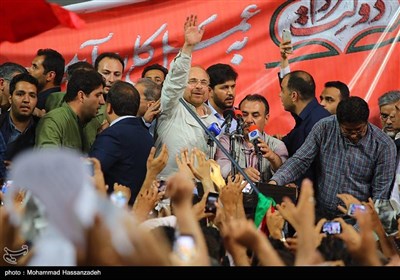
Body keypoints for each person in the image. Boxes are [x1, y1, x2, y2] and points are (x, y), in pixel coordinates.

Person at [269, 97, 397, 219]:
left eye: (358, 130)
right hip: (320, 213)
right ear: (338, 121)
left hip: (357, 220)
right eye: (347, 130)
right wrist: (275, 182)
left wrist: (359, 217)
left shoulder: (384, 146)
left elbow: (381, 198)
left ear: (366, 122)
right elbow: (300, 160)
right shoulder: (325, 127)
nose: (353, 135)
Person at [154, 15, 218, 178]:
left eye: (203, 83)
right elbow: (174, 82)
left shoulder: (215, 121)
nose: (198, 86)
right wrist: (188, 47)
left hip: (200, 193)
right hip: (167, 189)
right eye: (193, 81)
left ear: (209, 90)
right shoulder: (171, 107)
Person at [89, 81, 153, 205]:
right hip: (135, 210)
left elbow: (93, 171)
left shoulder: (113, 135)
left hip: (113, 212)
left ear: (109, 107)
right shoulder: (146, 135)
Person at [215, 94, 288, 183]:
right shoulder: (228, 140)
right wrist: (241, 172)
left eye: (255, 115)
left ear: (266, 118)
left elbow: (285, 172)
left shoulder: (277, 145)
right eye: (244, 114)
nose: (249, 120)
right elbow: (221, 166)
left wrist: (272, 157)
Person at [35, 69, 105, 153]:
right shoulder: (53, 121)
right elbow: (49, 161)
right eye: (98, 95)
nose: (102, 101)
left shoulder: (90, 123)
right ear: (81, 96)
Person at [279, 70, 330, 184]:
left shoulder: (314, 125)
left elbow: (306, 170)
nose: (280, 95)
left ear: (294, 96)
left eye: (282, 90)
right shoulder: (312, 116)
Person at [279, 40, 349, 115]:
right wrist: (284, 59)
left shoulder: (355, 125)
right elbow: (289, 89)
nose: (322, 103)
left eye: (329, 100)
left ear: (343, 105)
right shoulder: (315, 120)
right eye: (321, 99)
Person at [0, 73, 39, 180]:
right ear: (10, 98)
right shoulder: (1, 124)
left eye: (32, 95)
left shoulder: (43, 128)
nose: (26, 100)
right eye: (20, 94)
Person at [27, 48, 65, 113]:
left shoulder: (46, 105)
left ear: (50, 76)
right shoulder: (60, 101)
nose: (28, 70)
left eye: (35, 67)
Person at [206, 63, 238, 133]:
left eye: (232, 87)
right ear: (210, 90)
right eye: (224, 88)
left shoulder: (240, 117)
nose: (230, 92)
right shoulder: (200, 116)